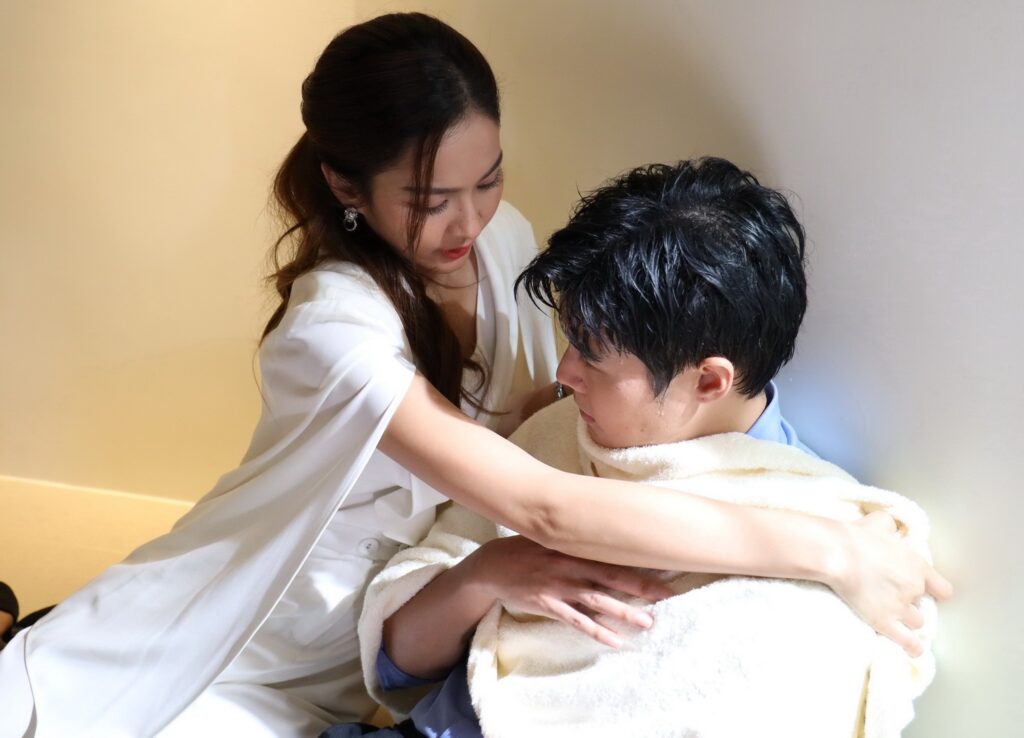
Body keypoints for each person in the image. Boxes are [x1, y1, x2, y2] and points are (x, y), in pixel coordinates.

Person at [0, 14, 949, 738]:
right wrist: (836, 552)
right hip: (255, 623)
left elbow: (539, 425)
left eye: (487, 178)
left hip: (384, 638)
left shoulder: (504, 242)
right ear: (346, 187)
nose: (469, 222)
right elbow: (543, 504)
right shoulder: (332, 326)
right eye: (430, 199)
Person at [341, 159, 940, 738]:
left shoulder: (825, 526)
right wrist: (484, 576)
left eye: (593, 357)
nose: (563, 373)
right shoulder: (557, 435)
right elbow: (399, 661)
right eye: (570, 340)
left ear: (709, 381)